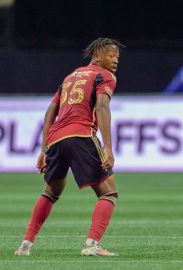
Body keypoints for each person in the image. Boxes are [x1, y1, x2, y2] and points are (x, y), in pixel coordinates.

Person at [14, 38, 124, 257]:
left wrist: (44, 149)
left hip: (56, 138)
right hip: (81, 135)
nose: (115, 61)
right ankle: (91, 245)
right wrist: (109, 148)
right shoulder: (106, 77)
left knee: (51, 192)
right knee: (108, 192)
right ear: (96, 56)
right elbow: (102, 107)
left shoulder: (70, 76)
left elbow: (50, 112)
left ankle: (25, 245)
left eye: (117, 57)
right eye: (110, 55)